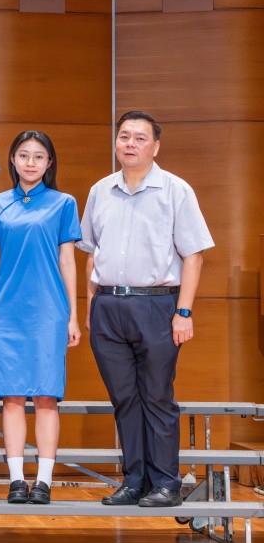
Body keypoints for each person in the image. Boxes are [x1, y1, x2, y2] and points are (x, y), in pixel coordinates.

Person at [79, 111, 213, 508]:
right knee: (124, 398)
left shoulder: (175, 190)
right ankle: (134, 480)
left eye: (140, 138)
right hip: (107, 306)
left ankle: (167, 483)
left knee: (156, 396)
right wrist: (91, 306)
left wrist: (183, 312)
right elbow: (90, 254)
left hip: (158, 306)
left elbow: (194, 256)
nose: (131, 143)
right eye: (124, 136)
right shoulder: (100, 190)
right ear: (116, 143)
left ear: (155, 146)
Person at [0, 130, 81, 505]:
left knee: (46, 397)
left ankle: (44, 480)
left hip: (48, 312)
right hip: (7, 311)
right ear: (12, 160)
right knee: (11, 397)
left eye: (39, 157)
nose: (30, 163)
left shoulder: (64, 203)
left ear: (49, 163)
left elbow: (68, 260)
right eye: (23, 155)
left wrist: (72, 315)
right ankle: (16, 480)